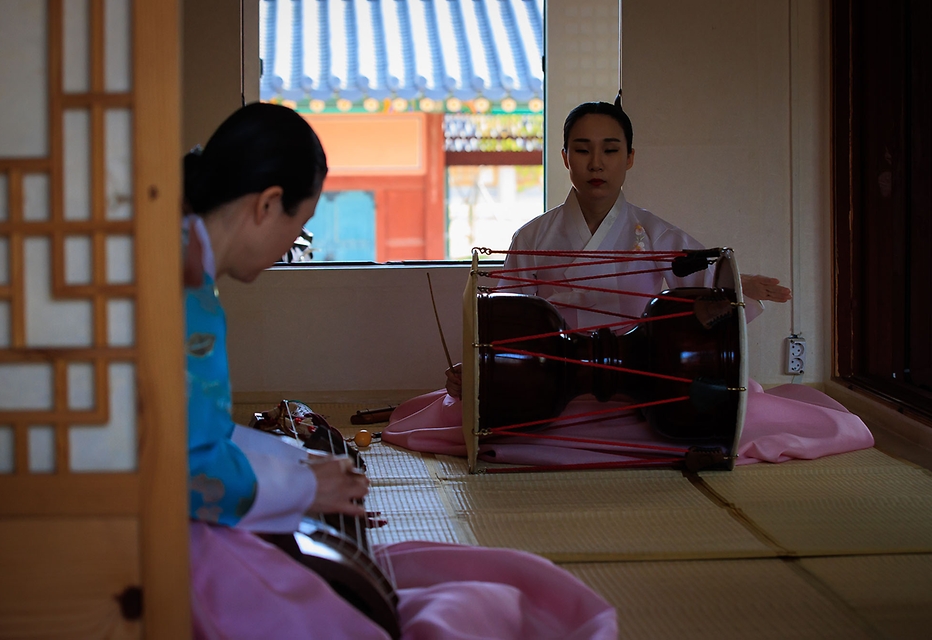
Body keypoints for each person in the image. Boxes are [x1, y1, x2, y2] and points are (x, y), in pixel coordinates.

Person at [183, 102, 619, 639]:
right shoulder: (184, 289)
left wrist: (299, 472)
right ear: (267, 204)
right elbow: (185, 465)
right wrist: (299, 485)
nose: (290, 247)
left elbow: (190, 439)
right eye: (300, 227)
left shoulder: (178, 266)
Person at [384, 97, 873, 467]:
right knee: (476, 420)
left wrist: (736, 288)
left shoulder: (658, 235)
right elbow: (507, 324)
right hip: (558, 390)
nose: (596, 163)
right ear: (565, 157)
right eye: (583, 150)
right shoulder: (533, 236)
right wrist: (480, 363)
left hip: (644, 389)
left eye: (610, 150)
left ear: (630, 157)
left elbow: (702, 300)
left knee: (725, 412)